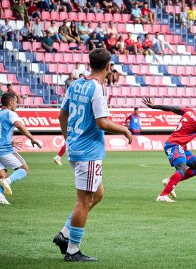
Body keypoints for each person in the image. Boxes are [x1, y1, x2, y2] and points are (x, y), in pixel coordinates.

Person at [52, 48, 133, 262]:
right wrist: (124, 129)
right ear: (108, 67)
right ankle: (72, 250)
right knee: (84, 201)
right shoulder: (97, 89)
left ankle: (65, 234)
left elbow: (62, 114)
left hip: (77, 148)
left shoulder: (76, 84)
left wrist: (68, 138)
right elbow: (101, 122)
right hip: (88, 152)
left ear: (90, 64)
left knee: (97, 195)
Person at [142, 97, 196, 202]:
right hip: (174, 145)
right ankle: (163, 196)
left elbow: (173, 108)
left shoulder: (190, 112)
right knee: (182, 168)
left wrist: (154, 106)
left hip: (180, 146)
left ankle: (170, 181)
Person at [0, 93, 42, 205]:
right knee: (24, 170)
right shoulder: (11, 114)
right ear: (10, 103)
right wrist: (32, 138)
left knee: (2, 173)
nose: (16, 104)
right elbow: (20, 126)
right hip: (5, 150)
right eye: (15, 102)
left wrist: (10, 141)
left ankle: (1, 196)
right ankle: (7, 182)